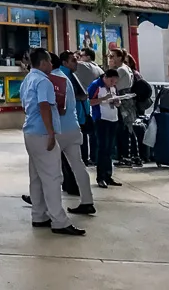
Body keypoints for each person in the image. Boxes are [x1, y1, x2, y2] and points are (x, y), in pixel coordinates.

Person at [20, 48, 84, 236]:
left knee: (37, 176)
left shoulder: (28, 80)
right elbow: (44, 106)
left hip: (30, 132)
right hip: (42, 134)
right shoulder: (43, 81)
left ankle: (39, 215)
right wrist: (50, 133)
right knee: (52, 177)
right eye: (49, 61)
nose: (51, 64)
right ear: (43, 63)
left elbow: (26, 106)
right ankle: (59, 220)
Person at [51, 53, 95, 215]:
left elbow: (57, 107)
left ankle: (40, 201)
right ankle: (87, 200)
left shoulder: (55, 79)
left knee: (48, 167)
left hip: (60, 130)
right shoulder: (68, 77)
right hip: (74, 126)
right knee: (78, 165)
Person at [88, 68, 122, 189]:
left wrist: (117, 102)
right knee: (102, 148)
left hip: (113, 118)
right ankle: (101, 177)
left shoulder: (113, 87)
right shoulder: (96, 85)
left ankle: (108, 175)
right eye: (112, 81)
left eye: (115, 82)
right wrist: (103, 99)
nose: (113, 83)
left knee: (110, 148)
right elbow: (89, 102)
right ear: (105, 78)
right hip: (101, 120)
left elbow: (115, 100)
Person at [108, 49, 139, 166]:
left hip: (123, 100)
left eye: (113, 56)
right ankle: (134, 156)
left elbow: (110, 82)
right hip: (127, 100)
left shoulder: (121, 69)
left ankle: (126, 157)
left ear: (120, 57)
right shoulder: (127, 68)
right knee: (129, 129)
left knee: (124, 130)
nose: (111, 59)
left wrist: (110, 67)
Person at [73, 48, 102, 165]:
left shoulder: (84, 66)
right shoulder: (98, 68)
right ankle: (94, 157)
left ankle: (84, 157)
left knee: (84, 131)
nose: (78, 58)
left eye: (80, 55)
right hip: (96, 104)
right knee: (94, 133)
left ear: (88, 57)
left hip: (85, 102)